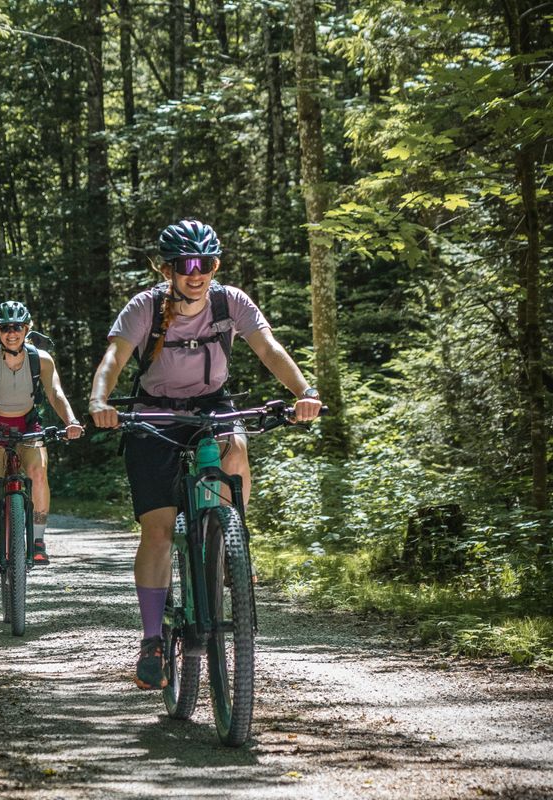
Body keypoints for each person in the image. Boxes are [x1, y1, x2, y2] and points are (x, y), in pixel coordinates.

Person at [88, 219, 322, 690]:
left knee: (236, 446)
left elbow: (268, 348)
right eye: (186, 265)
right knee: (156, 529)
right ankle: (152, 639)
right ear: (167, 268)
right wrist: (99, 401)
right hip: (154, 413)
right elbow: (114, 358)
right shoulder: (145, 307)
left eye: (207, 264)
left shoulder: (230, 302)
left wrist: (304, 390)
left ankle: (231, 541)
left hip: (212, 405)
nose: (197, 273)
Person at [0, 301, 83, 585]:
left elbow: (56, 392)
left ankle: (38, 541)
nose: (12, 333)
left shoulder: (41, 359)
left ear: (27, 329)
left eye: (17, 327)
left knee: (38, 472)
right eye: (6, 328)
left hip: (28, 425)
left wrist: (70, 420)